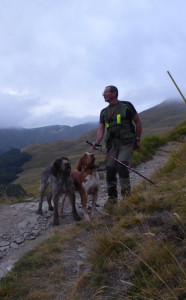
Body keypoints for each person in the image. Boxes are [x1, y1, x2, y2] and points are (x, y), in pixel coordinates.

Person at [93, 85, 142, 205]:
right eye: (103, 92)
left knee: (122, 165)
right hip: (112, 145)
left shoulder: (126, 106)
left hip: (126, 142)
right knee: (110, 169)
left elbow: (138, 122)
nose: (103, 94)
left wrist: (138, 139)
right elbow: (101, 129)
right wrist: (97, 141)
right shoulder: (104, 112)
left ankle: (127, 197)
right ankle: (112, 198)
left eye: (106, 92)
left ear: (114, 93)